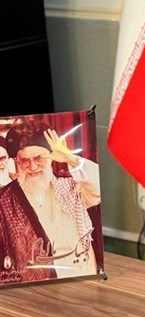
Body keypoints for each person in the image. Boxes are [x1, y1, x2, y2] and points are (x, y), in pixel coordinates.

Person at [0, 120, 100, 284]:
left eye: (39, 158)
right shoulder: (5, 200)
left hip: (83, 272)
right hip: (40, 283)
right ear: (16, 161)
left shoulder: (70, 186)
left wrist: (71, 159)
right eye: (25, 160)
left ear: (51, 158)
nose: (33, 167)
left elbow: (98, 189)